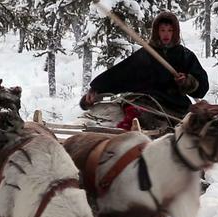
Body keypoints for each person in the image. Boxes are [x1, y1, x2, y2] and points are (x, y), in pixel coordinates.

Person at [80, 11, 209, 130]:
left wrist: (187, 82)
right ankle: (127, 127)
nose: (166, 34)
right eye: (162, 30)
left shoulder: (185, 55)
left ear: (175, 32)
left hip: (175, 105)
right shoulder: (146, 54)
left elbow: (202, 87)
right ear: (156, 32)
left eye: (170, 30)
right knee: (135, 109)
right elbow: (120, 74)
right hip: (146, 100)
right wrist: (96, 88)